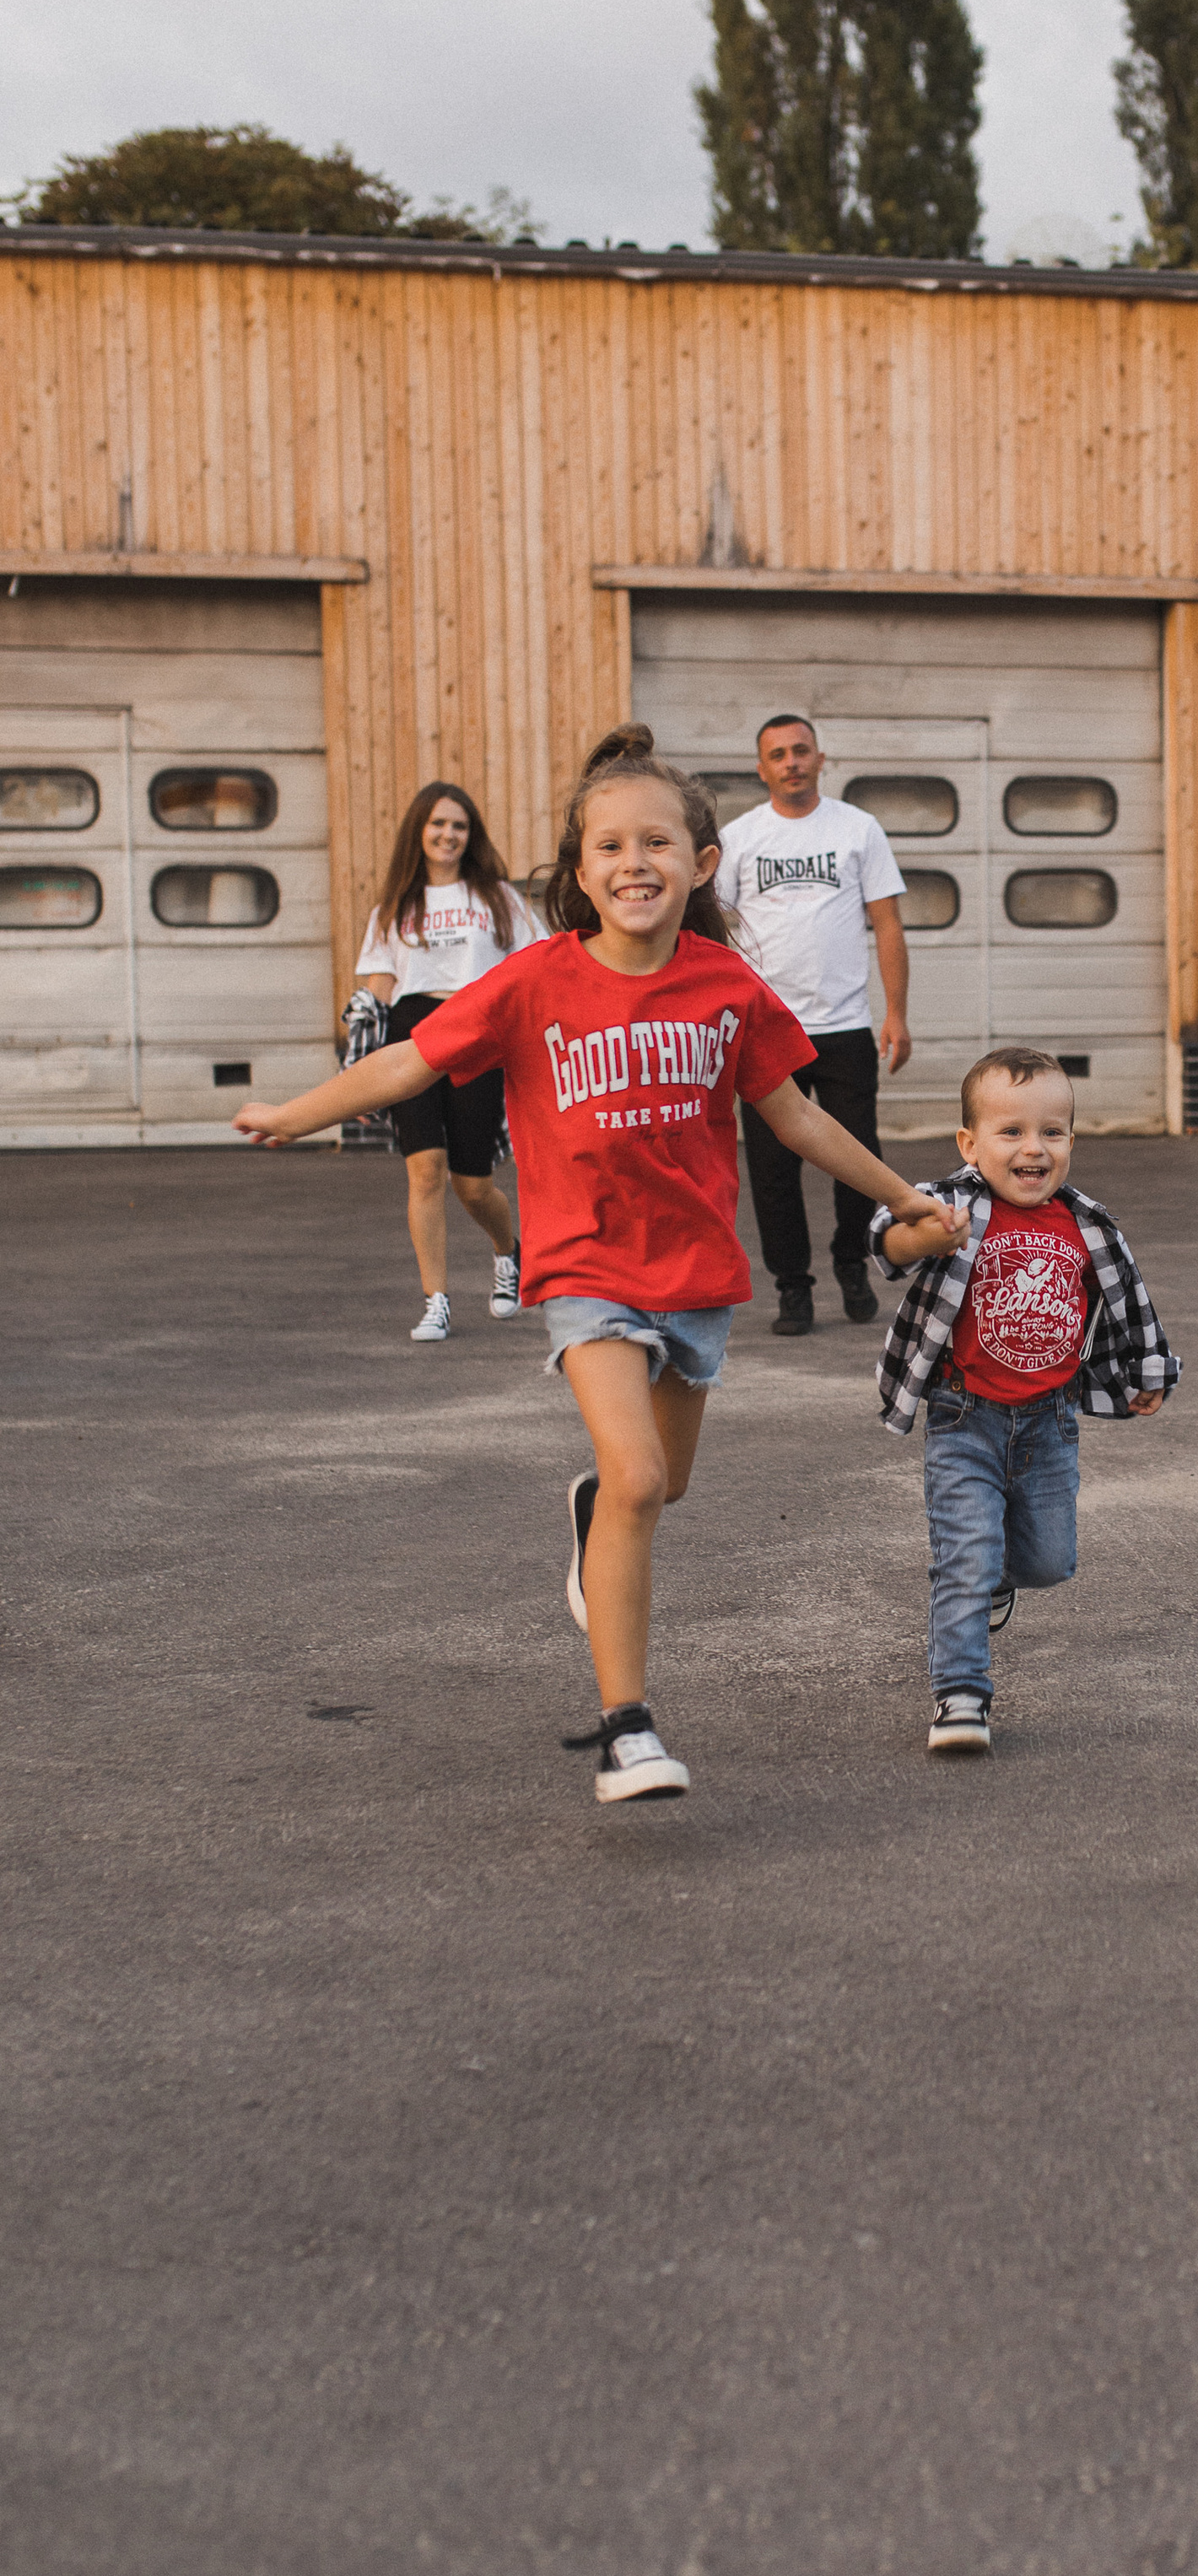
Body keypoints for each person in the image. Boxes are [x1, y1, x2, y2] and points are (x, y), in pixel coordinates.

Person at [235, 725, 965, 1806]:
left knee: (661, 1486)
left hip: (697, 1271)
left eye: (657, 843)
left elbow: (798, 1119)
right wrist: (296, 1115)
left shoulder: (728, 986)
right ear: (579, 874)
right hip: (583, 1265)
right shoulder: (533, 981)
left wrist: (902, 1196)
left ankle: (594, 1518)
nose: (635, 862)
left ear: (701, 864)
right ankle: (629, 1730)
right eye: (611, 846)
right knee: (637, 1477)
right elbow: (409, 1059)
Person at [872, 1047, 1180, 1758]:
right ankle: (961, 1695)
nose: (1033, 1148)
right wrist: (924, 1232)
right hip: (964, 1417)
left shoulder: (1089, 1224)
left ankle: (999, 1580)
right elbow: (884, 1237)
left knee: (1048, 1561)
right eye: (1010, 1132)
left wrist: (1149, 1368)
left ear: (1072, 1141)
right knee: (965, 1559)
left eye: (1052, 1132)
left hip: (1049, 1422)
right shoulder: (953, 1207)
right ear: (969, 1143)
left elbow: (1131, 1301)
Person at [717, 713, 911, 1337]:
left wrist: (897, 1013)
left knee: (858, 1157)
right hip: (766, 1030)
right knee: (773, 1170)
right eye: (778, 754)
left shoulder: (858, 828)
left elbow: (887, 924)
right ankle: (792, 1287)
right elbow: (714, 931)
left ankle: (852, 1264)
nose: (792, 762)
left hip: (845, 1024)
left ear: (821, 759)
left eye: (801, 751)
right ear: (761, 768)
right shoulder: (740, 838)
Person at [355, 780, 545, 1341]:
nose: (448, 834)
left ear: (471, 835)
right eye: (438, 824)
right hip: (411, 1033)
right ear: (419, 831)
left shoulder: (498, 898)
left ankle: (507, 1251)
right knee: (425, 1170)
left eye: (459, 825)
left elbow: (535, 967)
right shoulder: (395, 907)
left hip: (475, 1032)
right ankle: (435, 1301)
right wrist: (360, 1075)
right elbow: (376, 995)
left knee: (473, 1184)